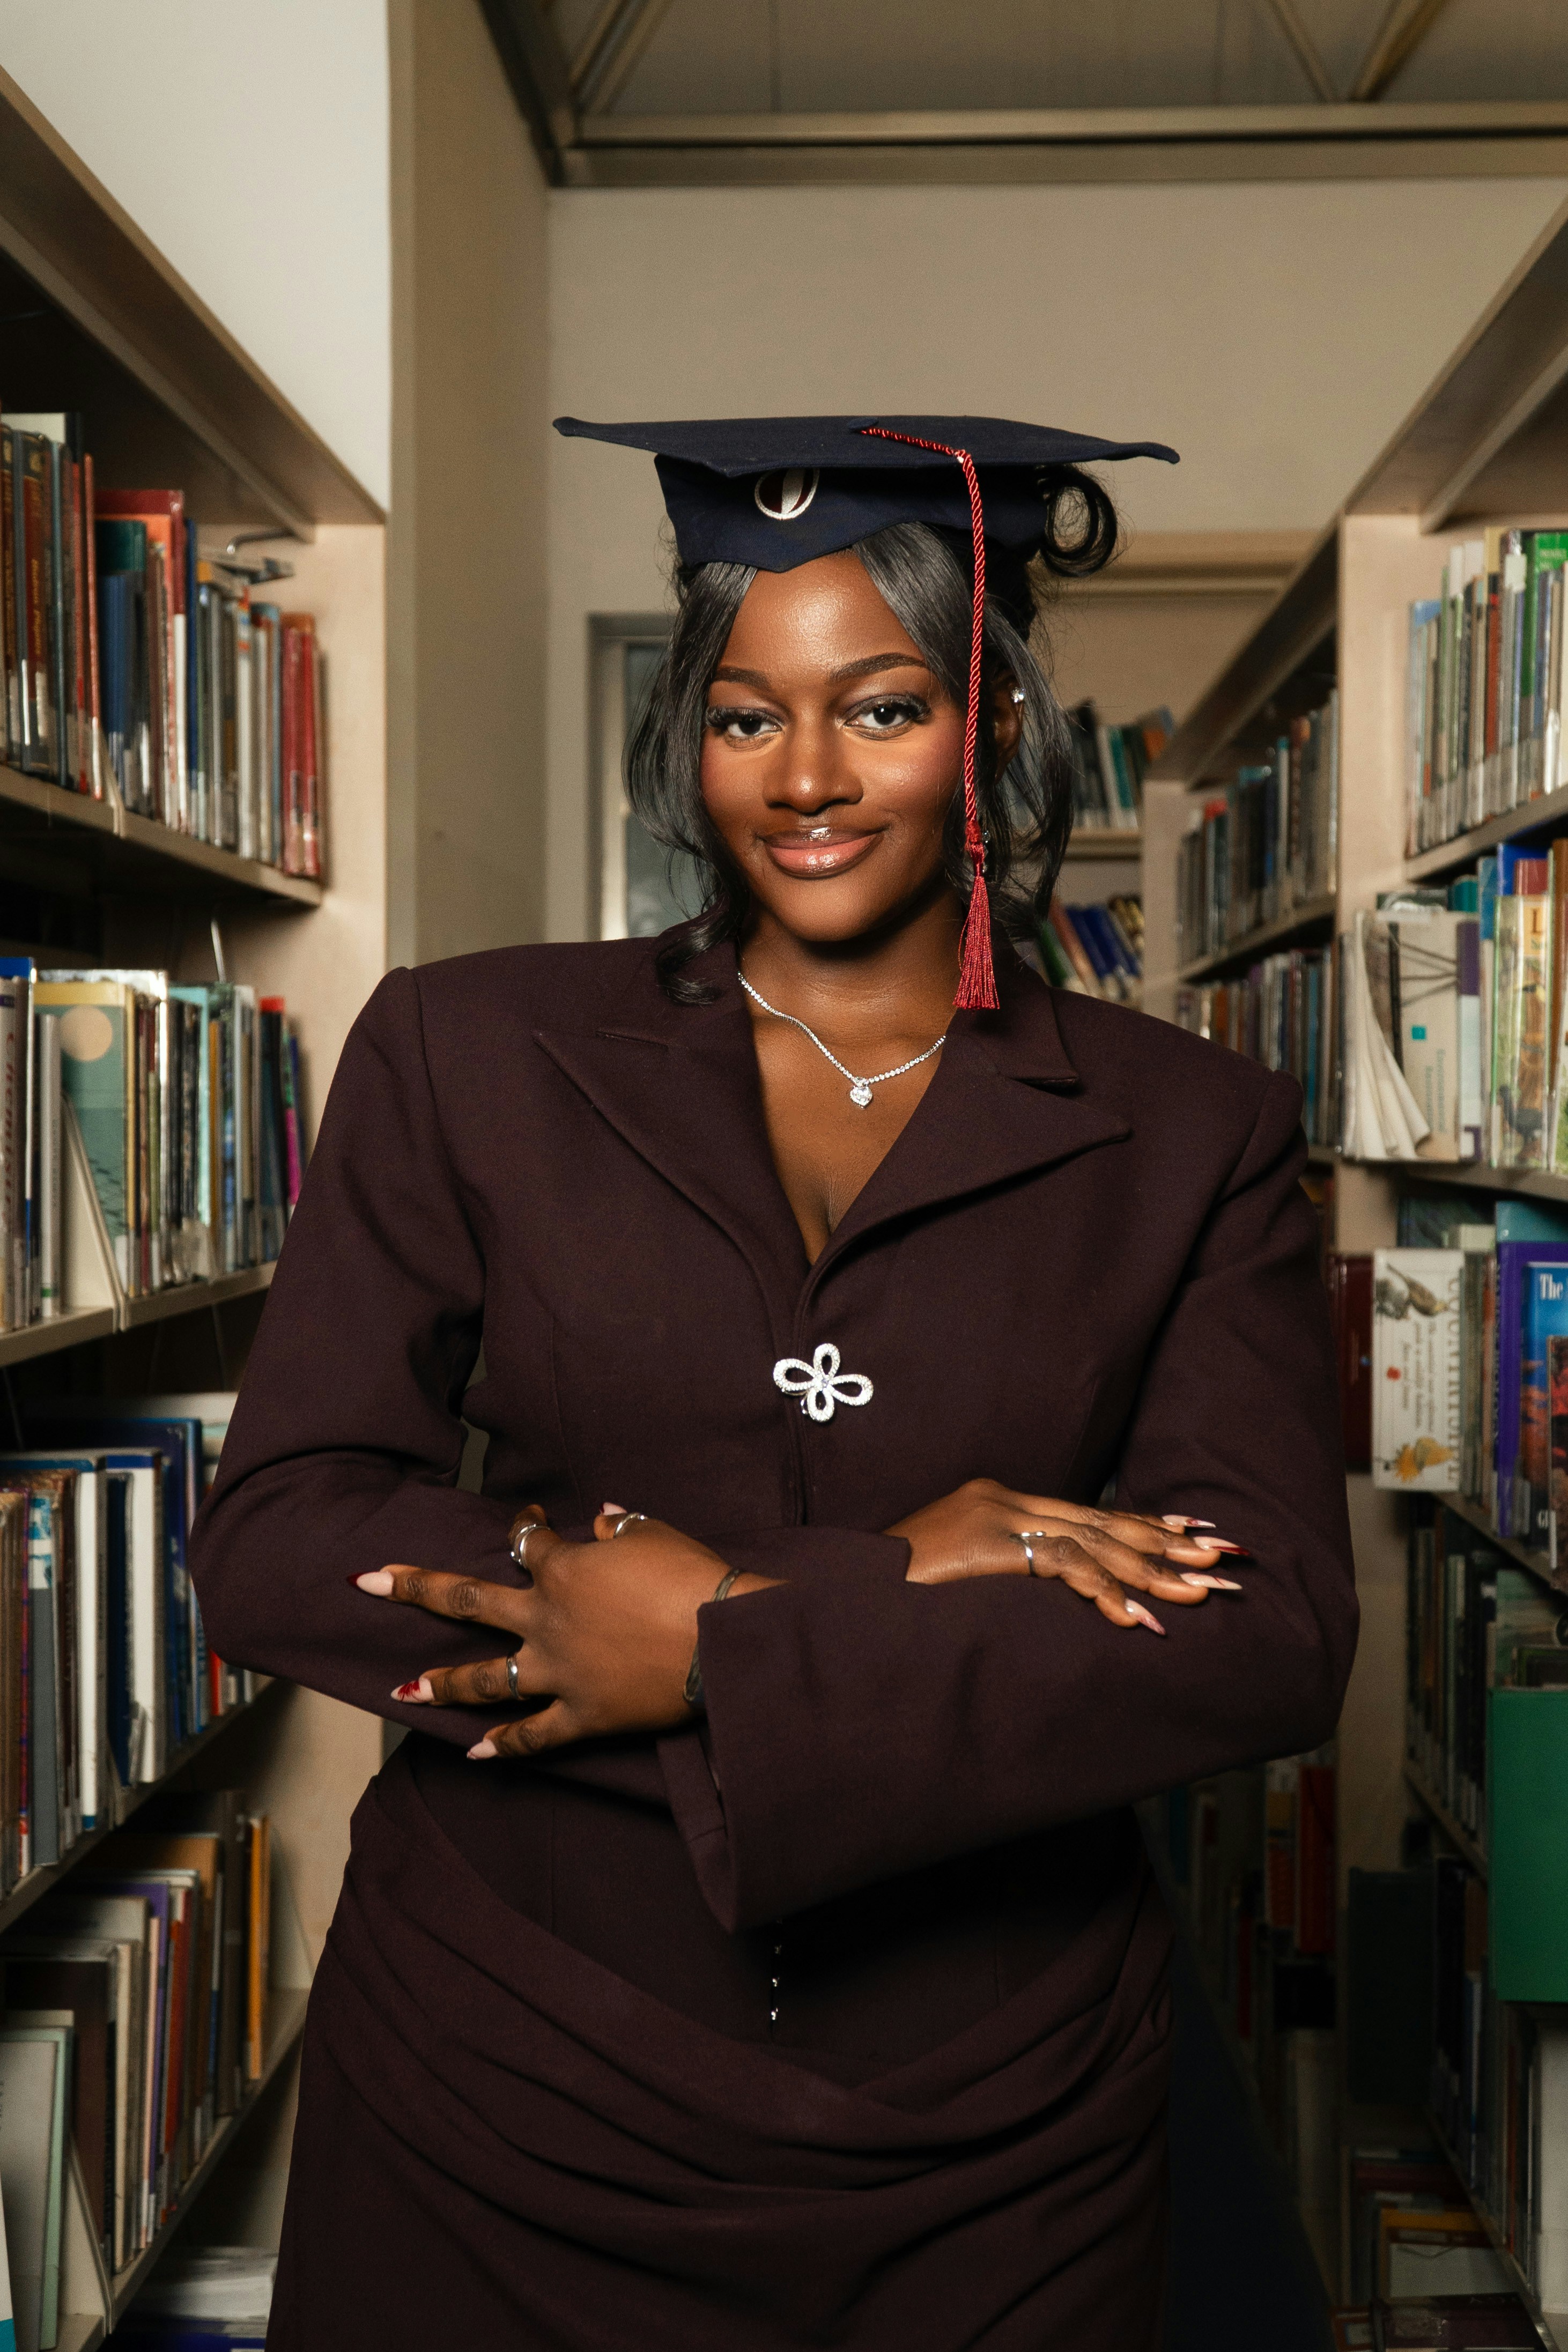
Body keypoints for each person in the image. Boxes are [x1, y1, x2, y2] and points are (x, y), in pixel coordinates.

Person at [190, 413, 1358, 2351]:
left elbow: (1261, 1633)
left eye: (879, 708)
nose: (806, 780)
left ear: (988, 728)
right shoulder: (464, 1052)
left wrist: (721, 1639)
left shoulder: (1193, 1127)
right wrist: (857, 1585)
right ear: (688, 738)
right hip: (505, 2066)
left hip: (997, 2117)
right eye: (745, 718)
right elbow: (282, 1536)